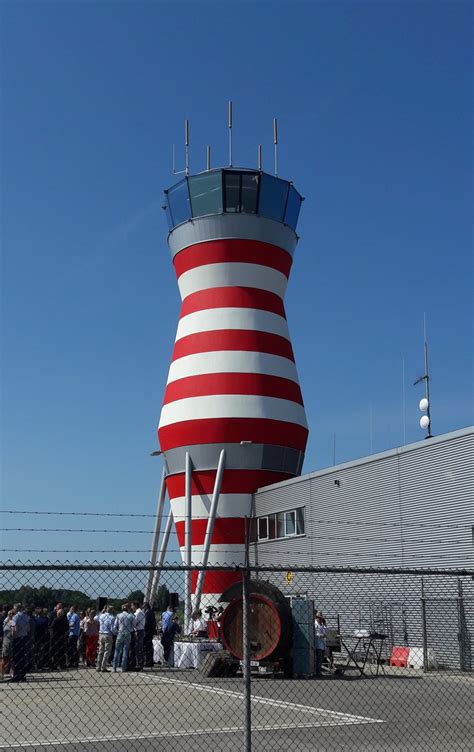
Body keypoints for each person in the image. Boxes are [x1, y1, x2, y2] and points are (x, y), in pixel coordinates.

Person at [10, 603, 30, 682]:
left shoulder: (15, 617)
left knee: (16, 657)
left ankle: (16, 675)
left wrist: (14, 638)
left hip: (17, 638)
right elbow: (28, 628)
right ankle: (22, 675)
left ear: (16, 609)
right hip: (24, 637)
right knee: (23, 656)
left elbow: (15, 628)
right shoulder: (26, 617)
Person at [112, 604, 135, 672]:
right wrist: (130, 630)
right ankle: (123, 667)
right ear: (128, 609)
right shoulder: (131, 616)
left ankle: (114, 667)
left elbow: (114, 626)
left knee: (117, 650)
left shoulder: (119, 615)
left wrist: (116, 632)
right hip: (127, 634)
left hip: (120, 633)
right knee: (125, 651)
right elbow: (133, 626)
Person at [96, 606, 115, 672]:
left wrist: (102, 611)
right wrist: (114, 633)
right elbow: (113, 628)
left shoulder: (101, 616)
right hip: (108, 634)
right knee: (107, 651)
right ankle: (103, 667)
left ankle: (98, 666)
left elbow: (95, 618)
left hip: (101, 634)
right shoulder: (112, 617)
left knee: (101, 650)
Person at [1, 609, 15, 679]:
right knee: (6, 658)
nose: (10, 615)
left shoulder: (10, 621)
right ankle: (3, 673)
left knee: (10, 659)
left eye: (12, 614)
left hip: (9, 641)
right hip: (7, 641)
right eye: (9, 614)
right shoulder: (7, 621)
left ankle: (11, 673)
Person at [143, 602, 157, 668]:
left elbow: (146, 623)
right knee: (149, 647)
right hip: (150, 632)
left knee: (147, 647)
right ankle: (149, 661)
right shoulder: (151, 612)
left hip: (147, 632)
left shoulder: (148, 613)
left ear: (146, 606)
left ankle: (148, 661)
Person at [133, 602, 145, 671]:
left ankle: (139, 665)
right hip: (140, 630)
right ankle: (139, 664)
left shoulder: (138, 613)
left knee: (138, 649)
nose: (132, 607)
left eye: (132, 605)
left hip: (138, 631)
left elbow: (135, 623)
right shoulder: (140, 612)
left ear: (135, 605)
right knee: (139, 648)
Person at [314, 611, 327, 677]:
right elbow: (314, 634)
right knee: (318, 659)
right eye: (319, 618)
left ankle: (319, 671)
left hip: (322, 644)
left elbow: (325, 632)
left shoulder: (322, 625)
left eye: (321, 618)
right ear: (317, 618)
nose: (320, 619)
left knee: (321, 659)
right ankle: (317, 672)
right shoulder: (315, 625)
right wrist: (321, 635)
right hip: (318, 644)